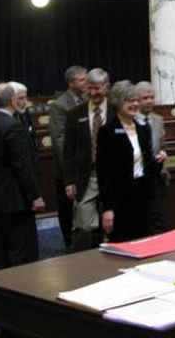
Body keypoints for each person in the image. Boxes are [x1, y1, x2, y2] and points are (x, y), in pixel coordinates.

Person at [0, 83, 44, 269]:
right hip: (16, 200)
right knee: (21, 251)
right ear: (12, 100)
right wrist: (35, 196)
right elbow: (23, 167)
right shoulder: (13, 127)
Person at [96, 81, 166, 242]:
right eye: (129, 101)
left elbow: (148, 167)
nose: (135, 104)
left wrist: (159, 161)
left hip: (142, 195)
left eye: (136, 100)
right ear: (118, 102)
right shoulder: (107, 131)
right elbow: (103, 173)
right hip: (119, 198)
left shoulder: (142, 130)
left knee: (143, 242)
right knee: (123, 245)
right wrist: (108, 208)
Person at [64, 67, 111, 251]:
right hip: (87, 175)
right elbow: (68, 150)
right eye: (89, 88)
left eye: (97, 88)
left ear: (107, 87)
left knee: (112, 221)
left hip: (112, 175)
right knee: (84, 225)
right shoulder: (75, 114)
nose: (92, 93)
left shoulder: (117, 111)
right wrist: (69, 180)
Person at [48, 65, 86, 251]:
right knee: (66, 210)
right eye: (82, 80)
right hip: (67, 168)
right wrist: (69, 173)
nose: (87, 83)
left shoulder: (87, 99)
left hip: (85, 165)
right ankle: (68, 245)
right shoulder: (59, 105)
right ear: (71, 83)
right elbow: (59, 140)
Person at [136, 81, 169, 234]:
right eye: (145, 98)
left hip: (157, 176)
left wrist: (162, 155)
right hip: (138, 178)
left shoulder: (158, 120)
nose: (149, 101)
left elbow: (162, 146)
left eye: (151, 97)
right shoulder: (131, 120)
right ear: (136, 100)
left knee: (158, 220)